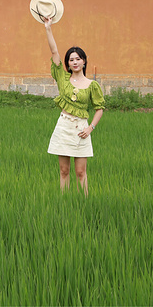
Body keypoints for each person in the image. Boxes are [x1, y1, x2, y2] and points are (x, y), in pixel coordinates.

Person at [44, 16, 104, 196]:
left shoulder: (92, 85)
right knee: (64, 171)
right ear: (67, 64)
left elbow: (99, 108)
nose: (75, 62)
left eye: (78, 59)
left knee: (80, 172)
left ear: (84, 61)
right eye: (71, 60)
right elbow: (54, 52)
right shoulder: (62, 78)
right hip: (63, 126)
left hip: (81, 129)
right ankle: (64, 204)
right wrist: (48, 28)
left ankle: (85, 203)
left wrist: (91, 128)